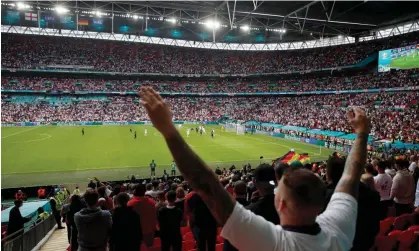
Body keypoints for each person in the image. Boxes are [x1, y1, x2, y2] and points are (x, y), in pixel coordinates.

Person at [139, 87, 371, 251]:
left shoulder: (271, 242)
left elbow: (206, 185)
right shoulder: (338, 230)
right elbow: (350, 176)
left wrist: (167, 129)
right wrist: (362, 134)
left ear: (279, 203)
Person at [325, 155, 380, 251]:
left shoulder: (325, 197)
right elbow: (375, 228)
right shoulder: (372, 195)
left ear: (328, 175)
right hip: (364, 244)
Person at [224, 164, 280, 251]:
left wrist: (252, 205)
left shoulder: (243, 216)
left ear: (254, 183)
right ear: (276, 182)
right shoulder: (292, 210)